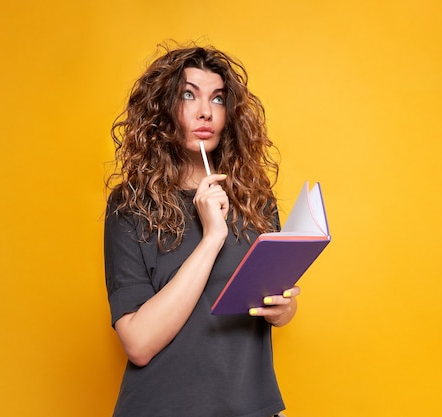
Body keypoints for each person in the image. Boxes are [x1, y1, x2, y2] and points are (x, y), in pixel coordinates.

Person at [103, 43, 299, 417]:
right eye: (188, 95)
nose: (205, 111)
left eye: (218, 99)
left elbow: (274, 302)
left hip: (252, 408)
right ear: (163, 109)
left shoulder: (255, 200)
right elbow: (139, 343)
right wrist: (212, 238)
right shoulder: (130, 206)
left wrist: (283, 309)